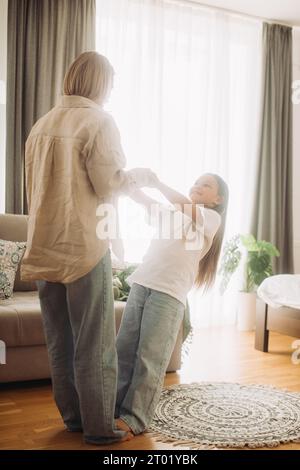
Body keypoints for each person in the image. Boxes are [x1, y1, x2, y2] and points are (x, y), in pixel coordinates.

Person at [21, 51, 155, 445]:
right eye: (110, 84)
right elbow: (109, 183)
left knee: (59, 341)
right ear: (99, 83)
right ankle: (100, 429)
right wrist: (140, 178)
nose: (111, 93)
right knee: (95, 345)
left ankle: (75, 419)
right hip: (83, 248)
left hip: (44, 249)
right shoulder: (99, 121)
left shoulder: (42, 124)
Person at [115, 173, 229, 435]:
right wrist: (127, 182)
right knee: (124, 349)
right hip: (142, 284)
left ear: (217, 199)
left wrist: (158, 182)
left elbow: (184, 206)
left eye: (206, 185)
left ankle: (135, 418)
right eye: (196, 181)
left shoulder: (211, 219)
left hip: (169, 293)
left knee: (148, 358)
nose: (197, 185)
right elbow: (142, 200)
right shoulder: (172, 213)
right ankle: (114, 408)